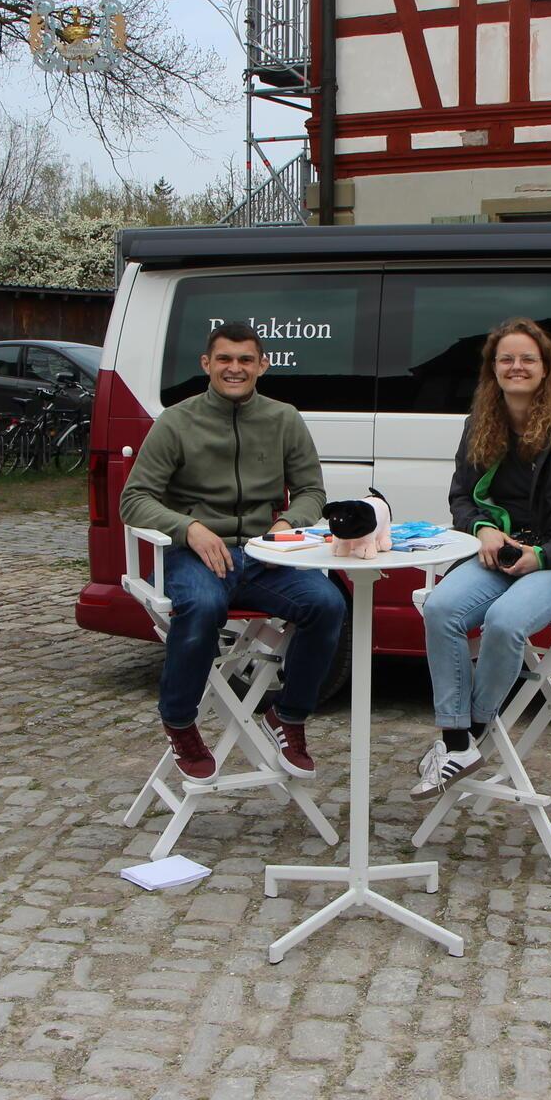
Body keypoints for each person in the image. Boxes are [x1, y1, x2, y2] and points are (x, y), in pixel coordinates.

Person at [120, 321, 345, 782]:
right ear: (207, 364)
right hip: (198, 553)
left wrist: (285, 525)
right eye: (224, 359)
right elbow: (134, 499)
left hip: (268, 556)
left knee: (328, 604)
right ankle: (180, 722)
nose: (235, 368)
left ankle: (289, 715)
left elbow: (310, 492)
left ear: (263, 365)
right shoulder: (176, 422)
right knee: (203, 606)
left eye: (246, 359)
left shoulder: (284, 419)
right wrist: (190, 529)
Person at [414, 317, 551, 799]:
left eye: (527, 358)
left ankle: (472, 728)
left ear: (546, 368)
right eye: (505, 359)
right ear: (492, 370)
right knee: (441, 609)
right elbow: (462, 499)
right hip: (499, 551)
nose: (516, 367)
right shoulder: (479, 424)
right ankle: (456, 742)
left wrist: (541, 555)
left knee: (505, 622)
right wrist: (482, 529)